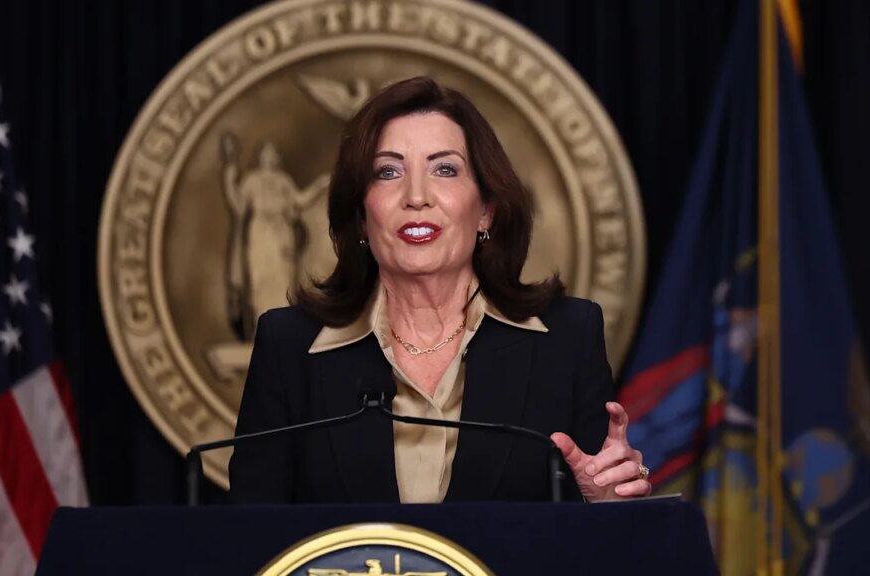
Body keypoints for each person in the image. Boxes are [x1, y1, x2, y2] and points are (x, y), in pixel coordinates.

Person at [229, 76, 651, 503]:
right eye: (388, 172)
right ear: (361, 217)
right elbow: (250, 534)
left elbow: (606, 531)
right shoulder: (288, 347)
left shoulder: (568, 338)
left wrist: (607, 503)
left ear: (486, 210)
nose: (416, 196)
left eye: (444, 169)